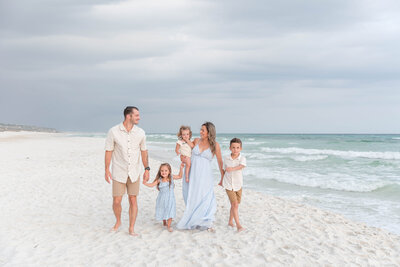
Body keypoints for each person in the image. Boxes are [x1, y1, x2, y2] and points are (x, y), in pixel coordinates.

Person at [104, 106, 150, 236]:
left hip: (135, 171)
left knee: (133, 199)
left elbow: (144, 152)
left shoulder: (141, 133)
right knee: (117, 200)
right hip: (119, 171)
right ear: (128, 116)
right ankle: (118, 221)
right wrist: (106, 169)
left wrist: (147, 169)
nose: (139, 118)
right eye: (136, 115)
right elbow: (108, 151)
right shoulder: (113, 131)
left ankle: (131, 228)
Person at [177, 122, 224, 231]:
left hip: (205, 175)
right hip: (191, 172)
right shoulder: (196, 140)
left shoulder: (215, 145)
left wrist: (222, 177)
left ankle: (205, 220)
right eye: (201, 129)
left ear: (209, 132)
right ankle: (194, 218)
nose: (200, 132)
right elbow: (185, 152)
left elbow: (220, 162)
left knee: (206, 196)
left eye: (203, 130)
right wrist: (182, 159)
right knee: (190, 195)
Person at [143, 163, 184, 232]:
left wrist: (181, 168)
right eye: (162, 171)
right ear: (160, 172)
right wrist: (145, 183)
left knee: (170, 210)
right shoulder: (159, 180)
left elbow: (180, 176)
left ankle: (168, 226)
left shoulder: (171, 177)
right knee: (163, 210)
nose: (164, 172)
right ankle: (164, 221)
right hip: (162, 199)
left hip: (170, 199)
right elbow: (152, 185)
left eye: (166, 170)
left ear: (169, 171)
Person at [218, 138, 247, 232]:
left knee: (235, 205)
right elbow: (224, 170)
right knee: (234, 204)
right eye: (233, 147)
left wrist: (232, 169)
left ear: (241, 148)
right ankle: (238, 225)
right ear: (230, 148)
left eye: (238, 147)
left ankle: (230, 221)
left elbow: (241, 166)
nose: (235, 149)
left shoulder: (242, 158)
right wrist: (221, 180)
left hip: (238, 184)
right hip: (228, 184)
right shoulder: (226, 158)